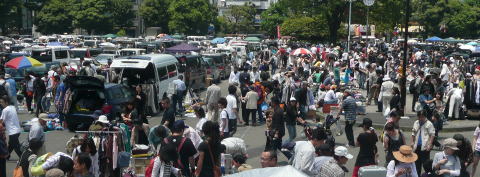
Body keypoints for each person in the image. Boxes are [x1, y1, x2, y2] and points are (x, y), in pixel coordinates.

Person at [412, 111, 436, 176]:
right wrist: (412, 142)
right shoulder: (416, 123)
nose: (421, 118)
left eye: (422, 117)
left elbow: (432, 135)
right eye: (419, 117)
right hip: (416, 147)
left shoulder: (429, 124)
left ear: (425, 116)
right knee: (417, 164)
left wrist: (430, 144)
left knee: (426, 164)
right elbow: (413, 133)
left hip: (425, 147)